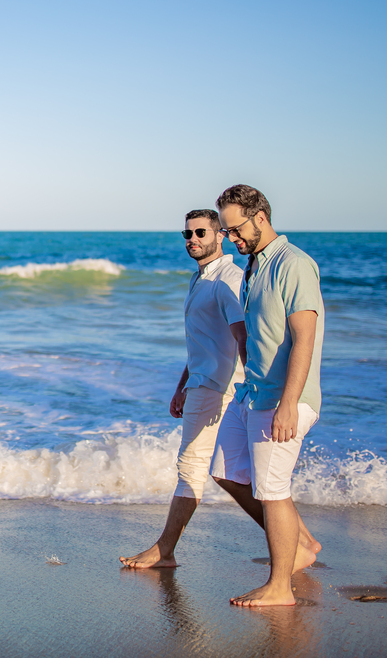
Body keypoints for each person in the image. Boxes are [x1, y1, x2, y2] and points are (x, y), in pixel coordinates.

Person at [210, 184, 325, 607]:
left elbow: (304, 340)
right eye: (226, 232)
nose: (231, 239)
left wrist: (290, 404)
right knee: (225, 471)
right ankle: (298, 546)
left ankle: (281, 588)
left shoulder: (293, 264)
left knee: (272, 490)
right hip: (253, 394)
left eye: (235, 230)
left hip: (284, 398)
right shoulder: (255, 266)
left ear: (260, 217)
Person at [120, 209, 247, 569]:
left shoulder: (228, 279)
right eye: (187, 234)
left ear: (220, 235)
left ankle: (165, 551)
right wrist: (181, 387)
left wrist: (251, 385)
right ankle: (297, 540)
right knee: (225, 473)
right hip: (202, 384)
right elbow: (201, 344)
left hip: (221, 388)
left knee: (196, 468)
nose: (192, 239)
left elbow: (243, 337)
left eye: (201, 232)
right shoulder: (201, 279)